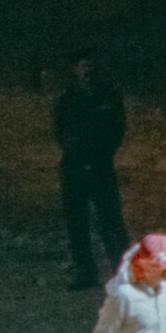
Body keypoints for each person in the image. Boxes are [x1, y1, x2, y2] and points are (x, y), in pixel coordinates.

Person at [52, 52, 130, 290]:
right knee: (77, 222)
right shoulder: (66, 99)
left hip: (101, 165)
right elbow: (61, 132)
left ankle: (123, 272)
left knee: (111, 221)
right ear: (74, 69)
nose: (86, 71)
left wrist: (100, 156)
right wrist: (77, 156)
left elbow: (117, 130)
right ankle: (85, 273)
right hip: (74, 168)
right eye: (81, 66)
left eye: (89, 65)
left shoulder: (109, 96)